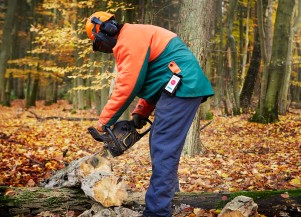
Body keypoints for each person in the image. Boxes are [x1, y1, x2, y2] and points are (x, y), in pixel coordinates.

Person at [85, 11, 214, 217]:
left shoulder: (130, 39)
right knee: (161, 146)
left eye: (99, 44)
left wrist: (105, 121)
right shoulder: (133, 37)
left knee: (163, 145)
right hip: (175, 86)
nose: (103, 49)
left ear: (106, 31)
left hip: (183, 86)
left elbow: (128, 84)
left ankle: (157, 212)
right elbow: (154, 78)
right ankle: (172, 201)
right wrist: (140, 113)